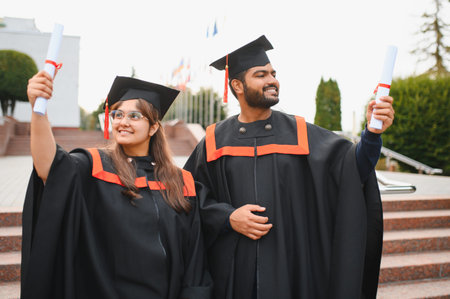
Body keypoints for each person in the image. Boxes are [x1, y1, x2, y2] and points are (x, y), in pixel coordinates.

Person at [184, 35, 395, 299]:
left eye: (273, 73)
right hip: (235, 271)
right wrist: (227, 217)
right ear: (237, 85)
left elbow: (353, 168)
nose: (272, 80)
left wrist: (372, 133)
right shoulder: (215, 140)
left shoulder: (300, 133)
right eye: (261, 75)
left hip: (292, 267)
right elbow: (190, 196)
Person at [21, 73, 212, 299]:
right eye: (117, 114)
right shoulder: (93, 166)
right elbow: (49, 169)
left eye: (134, 116)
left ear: (153, 127)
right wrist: (38, 111)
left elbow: (194, 258)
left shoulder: (180, 182)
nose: (123, 122)